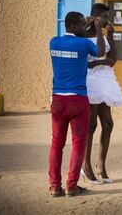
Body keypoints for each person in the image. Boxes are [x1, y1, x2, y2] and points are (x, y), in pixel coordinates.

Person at [49, 11, 105, 197]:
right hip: (78, 100)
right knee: (78, 144)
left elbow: (73, 39)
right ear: (74, 26)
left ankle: (55, 186)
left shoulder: (54, 42)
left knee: (56, 144)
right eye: (82, 25)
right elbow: (101, 52)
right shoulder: (84, 44)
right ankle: (71, 185)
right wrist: (98, 29)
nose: (85, 27)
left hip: (58, 100)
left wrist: (86, 24)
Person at [81, 3, 122, 185]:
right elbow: (93, 56)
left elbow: (113, 59)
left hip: (105, 80)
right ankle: (86, 166)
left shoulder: (105, 35)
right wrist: (97, 29)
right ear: (97, 16)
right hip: (89, 81)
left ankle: (101, 166)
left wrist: (108, 35)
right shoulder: (83, 34)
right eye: (106, 17)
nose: (109, 20)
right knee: (90, 126)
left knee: (108, 124)